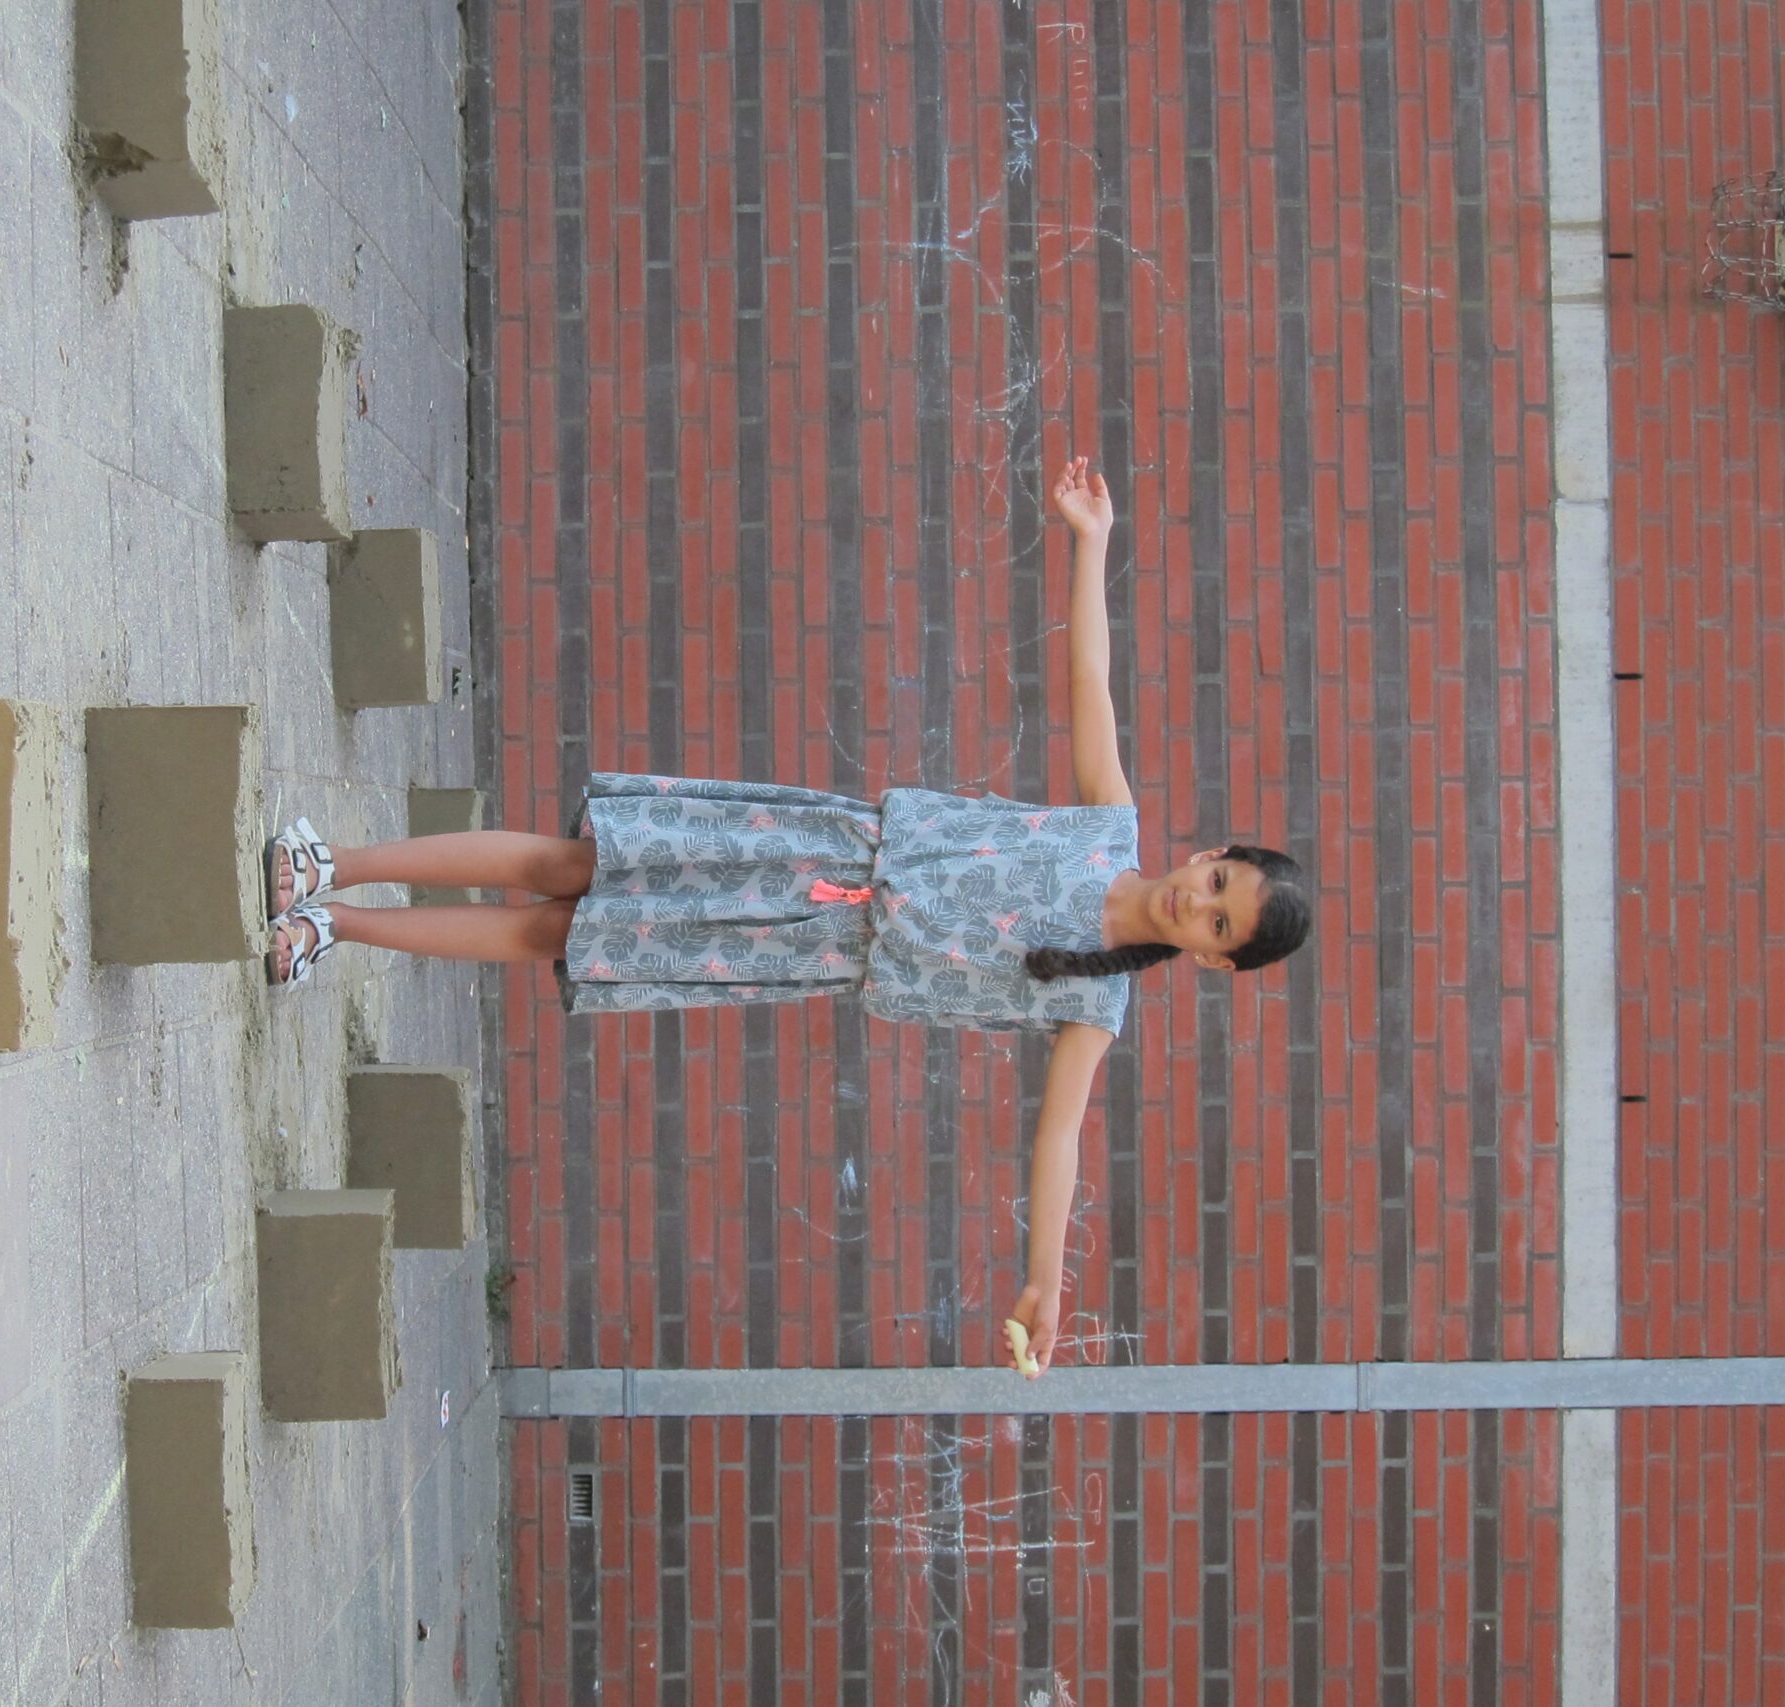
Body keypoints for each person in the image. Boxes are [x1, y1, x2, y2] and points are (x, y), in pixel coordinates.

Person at [260, 457, 1311, 1375]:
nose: (1200, 903)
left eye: (1219, 926)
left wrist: (1044, 1278)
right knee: (574, 863)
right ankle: (330, 862)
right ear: (1210, 854)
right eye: (1220, 882)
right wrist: (1092, 541)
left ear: (1212, 964)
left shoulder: (1095, 1007)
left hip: (809, 945)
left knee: (559, 933)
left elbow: (1060, 1141)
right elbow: (1091, 679)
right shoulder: (1109, 825)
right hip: (814, 847)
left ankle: (336, 928)